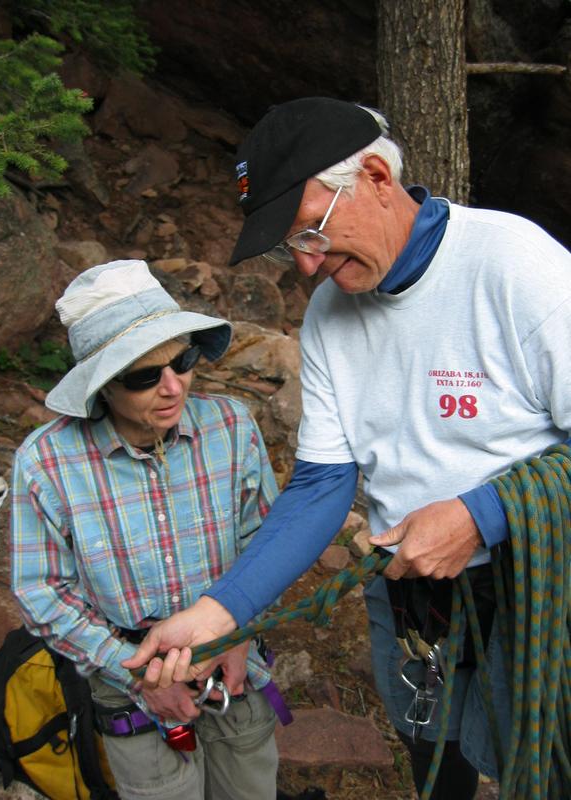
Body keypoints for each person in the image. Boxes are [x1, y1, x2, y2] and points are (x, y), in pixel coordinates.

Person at [122, 97, 571, 798]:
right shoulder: (330, 316)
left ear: (377, 179)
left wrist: (480, 516)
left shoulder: (517, 267)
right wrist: (218, 613)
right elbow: (321, 485)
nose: (306, 266)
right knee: (432, 754)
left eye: (310, 231)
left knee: (541, 762)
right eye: (290, 246)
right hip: (413, 601)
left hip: (534, 591)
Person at [10, 259, 279, 800]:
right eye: (143, 376)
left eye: (183, 360)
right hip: (123, 676)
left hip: (233, 662)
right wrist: (134, 674)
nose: (173, 386)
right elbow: (42, 590)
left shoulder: (230, 427)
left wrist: (239, 635)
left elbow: (266, 543)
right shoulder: (48, 463)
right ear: (102, 387)